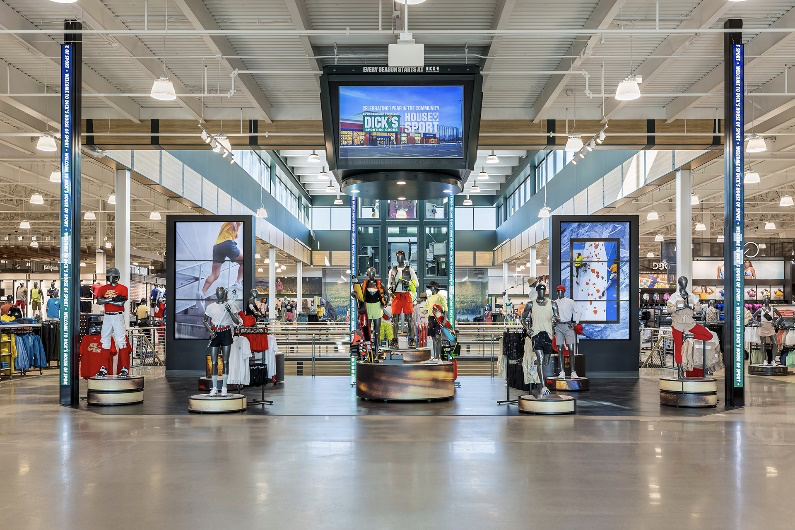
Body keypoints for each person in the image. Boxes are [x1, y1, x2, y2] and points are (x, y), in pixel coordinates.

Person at [95, 268, 130, 376]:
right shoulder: (102, 288)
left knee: (121, 341)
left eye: (113, 276)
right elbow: (99, 301)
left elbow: (120, 303)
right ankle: (103, 367)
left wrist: (107, 300)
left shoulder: (123, 288)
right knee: (105, 341)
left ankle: (124, 367)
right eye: (110, 276)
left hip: (117, 315)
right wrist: (113, 299)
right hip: (107, 316)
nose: (111, 278)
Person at [198, 222, 244, 303]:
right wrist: (234, 224)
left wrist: (235, 232)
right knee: (244, 260)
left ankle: (202, 292)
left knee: (215, 274)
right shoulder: (236, 220)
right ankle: (238, 282)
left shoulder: (225, 226)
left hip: (217, 246)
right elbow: (233, 218)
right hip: (227, 243)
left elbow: (235, 235)